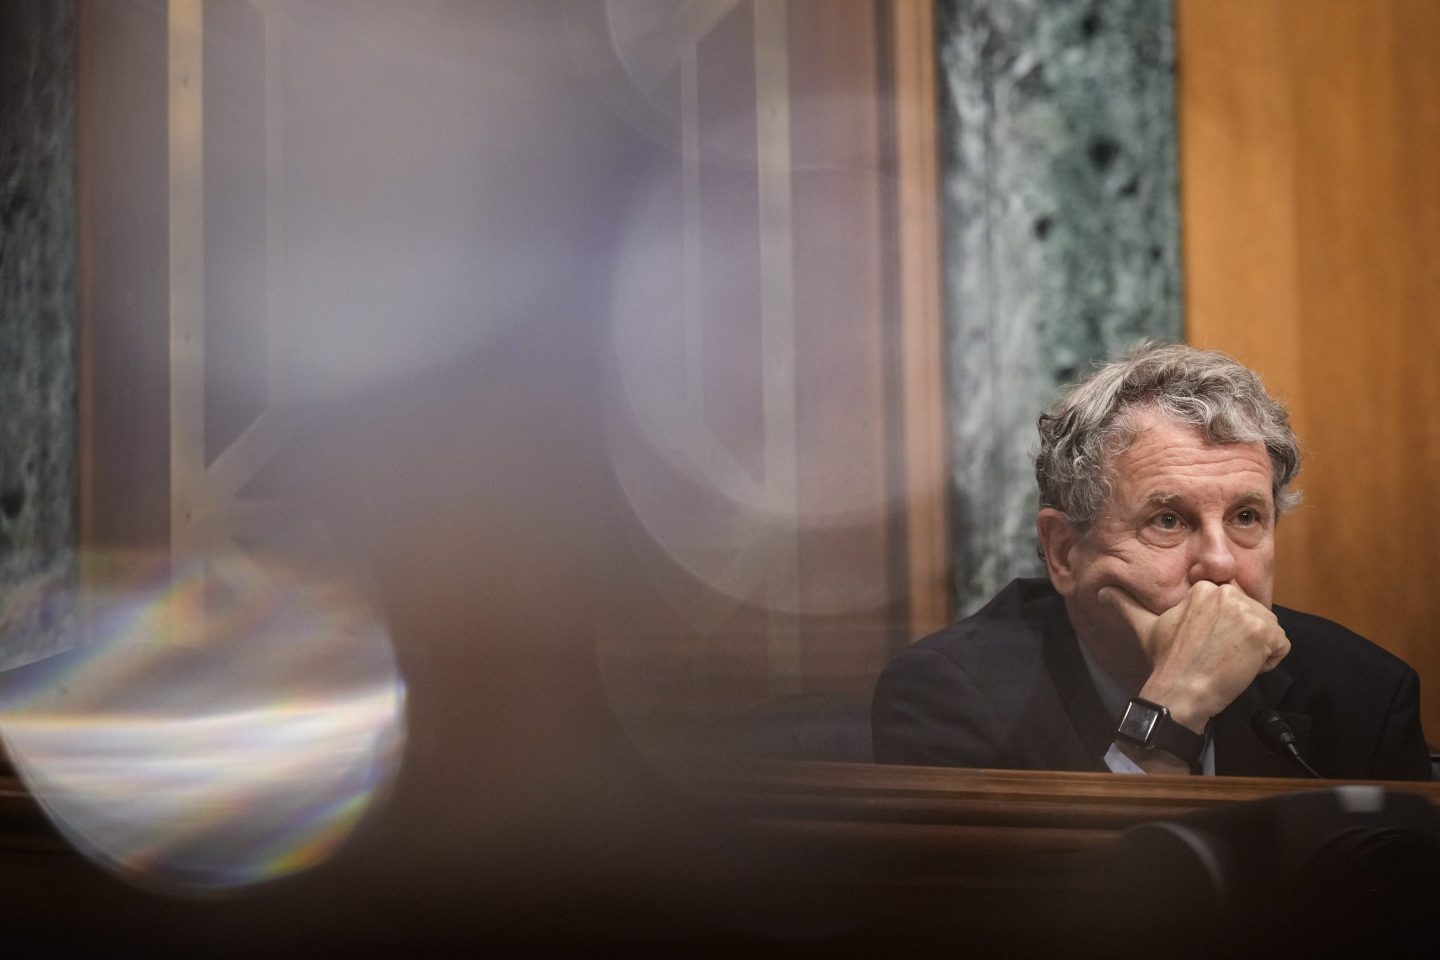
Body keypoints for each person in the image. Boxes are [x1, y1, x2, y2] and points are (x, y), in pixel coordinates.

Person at [873, 342, 1431, 779]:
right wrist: (1173, 709)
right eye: (1168, 521)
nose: (1220, 564)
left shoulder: (1363, 694)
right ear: (1065, 552)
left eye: (1245, 518)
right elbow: (1030, 924)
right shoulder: (949, 695)